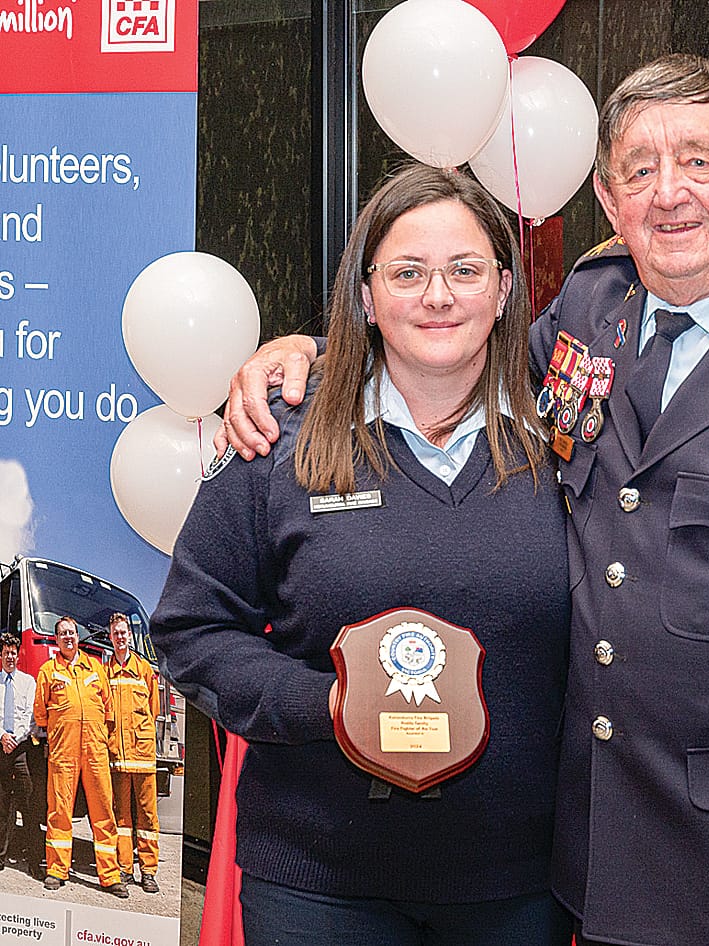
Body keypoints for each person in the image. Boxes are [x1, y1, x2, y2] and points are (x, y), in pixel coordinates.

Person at [219, 54, 709, 946]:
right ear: (609, 202)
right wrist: (311, 352)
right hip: (591, 856)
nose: (669, 194)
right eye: (638, 171)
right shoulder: (593, 303)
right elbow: (451, 352)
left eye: (699, 161)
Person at [150, 164, 572, 946]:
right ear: (368, 296)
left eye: (465, 270)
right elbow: (191, 629)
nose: (438, 296)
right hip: (317, 885)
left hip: (519, 884)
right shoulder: (279, 437)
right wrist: (329, 707)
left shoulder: (566, 438)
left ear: (505, 289)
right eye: (407, 273)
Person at [33, 616, 128, 897]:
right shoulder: (48, 671)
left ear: (77, 636)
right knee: (59, 809)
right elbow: (40, 713)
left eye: (72, 633)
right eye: (62, 633)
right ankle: (56, 870)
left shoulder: (95, 668)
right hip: (63, 751)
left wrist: (99, 738)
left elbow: (108, 709)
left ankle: (110, 875)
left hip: (95, 750)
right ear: (56, 639)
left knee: (103, 810)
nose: (68, 637)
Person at [106, 612, 161, 893]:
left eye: (123, 632)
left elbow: (154, 710)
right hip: (118, 756)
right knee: (122, 817)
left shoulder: (144, 670)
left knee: (148, 815)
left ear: (130, 635)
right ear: (111, 637)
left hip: (142, 755)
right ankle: (125, 868)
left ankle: (148, 871)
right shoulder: (106, 673)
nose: (120, 637)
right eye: (115, 633)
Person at [0, 632, 35, 870]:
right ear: (1, 656)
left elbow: (30, 716)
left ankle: (34, 858)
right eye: (6, 653)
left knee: (29, 801)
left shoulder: (28, 682)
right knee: (2, 804)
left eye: (13, 653)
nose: (10, 657)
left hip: (21, 748)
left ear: (18, 655)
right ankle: (1, 856)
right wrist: (2, 736)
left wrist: (14, 738)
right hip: (0, 747)